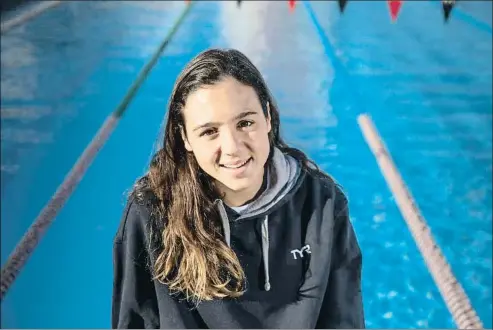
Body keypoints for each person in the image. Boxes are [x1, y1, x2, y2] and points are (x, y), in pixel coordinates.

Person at [111, 48, 365, 329]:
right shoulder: (152, 212)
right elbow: (134, 321)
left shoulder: (321, 204)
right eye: (209, 131)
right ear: (185, 138)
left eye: (245, 123)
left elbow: (344, 320)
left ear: (267, 117)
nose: (232, 148)